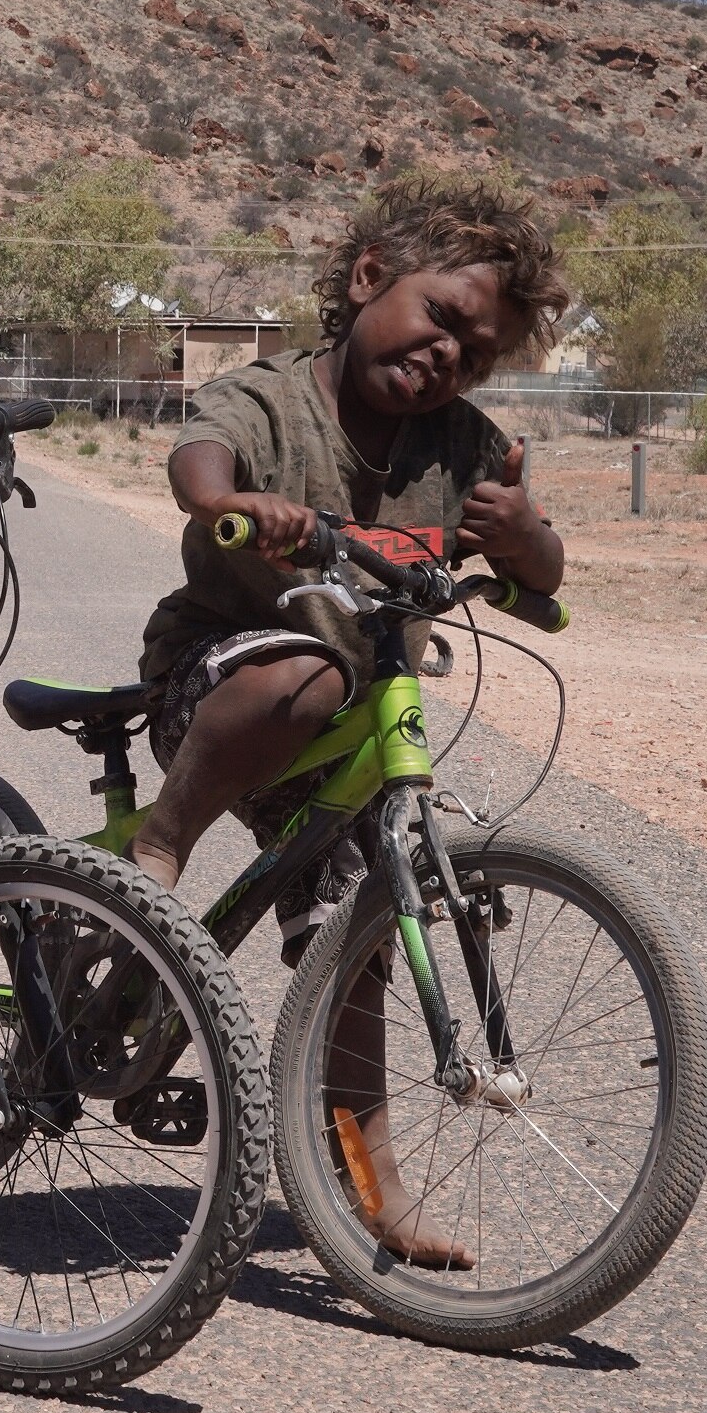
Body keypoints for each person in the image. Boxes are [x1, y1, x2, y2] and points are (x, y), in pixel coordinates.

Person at [130, 174, 570, 1267]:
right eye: (440, 319)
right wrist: (231, 504)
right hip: (220, 678)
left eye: (475, 351)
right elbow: (199, 456)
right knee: (311, 673)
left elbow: (547, 584)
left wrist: (522, 534)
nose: (446, 357)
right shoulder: (275, 400)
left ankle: (370, 1196)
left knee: (366, 949)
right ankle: (161, 839)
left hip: (356, 735)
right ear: (370, 277)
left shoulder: (464, 451)